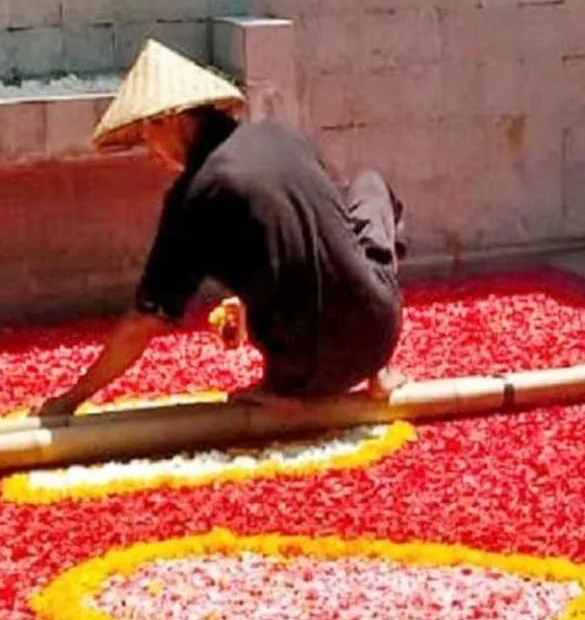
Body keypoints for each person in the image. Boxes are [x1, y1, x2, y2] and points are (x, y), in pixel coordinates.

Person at [41, 41, 406, 416]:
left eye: (146, 134)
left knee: (319, 290)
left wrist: (68, 401)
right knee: (370, 184)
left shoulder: (196, 194)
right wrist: (248, 303)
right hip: (379, 337)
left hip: (303, 371)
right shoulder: (283, 138)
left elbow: (146, 319)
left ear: (168, 118)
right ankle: (379, 371)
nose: (150, 151)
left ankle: (288, 394)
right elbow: (309, 243)